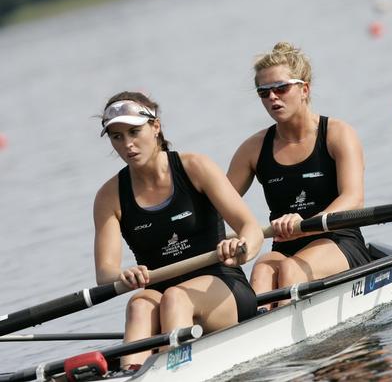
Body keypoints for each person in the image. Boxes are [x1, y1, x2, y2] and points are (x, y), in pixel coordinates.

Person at [93, 91, 263, 368]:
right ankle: (132, 371)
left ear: (156, 127)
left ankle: (168, 369)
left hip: (221, 287)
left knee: (175, 298)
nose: (127, 145)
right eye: (117, 136)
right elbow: (105, 273)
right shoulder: (108, 196)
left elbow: (250, 228)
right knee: (138, 304)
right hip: (159, 295)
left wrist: (242, 249)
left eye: (134, 131)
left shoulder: (195, 167)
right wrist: (123, 275)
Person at [227, 42, 372, 309]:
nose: (272, 97)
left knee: (291, 271)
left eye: (281, 88)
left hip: (338, 241)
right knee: (260, 270)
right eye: (264, 92)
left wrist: (305, 224)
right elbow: (219, 205)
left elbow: (354, 199)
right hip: (285, 248)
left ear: (304, 89)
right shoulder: (253, 148)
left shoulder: (337, 134)